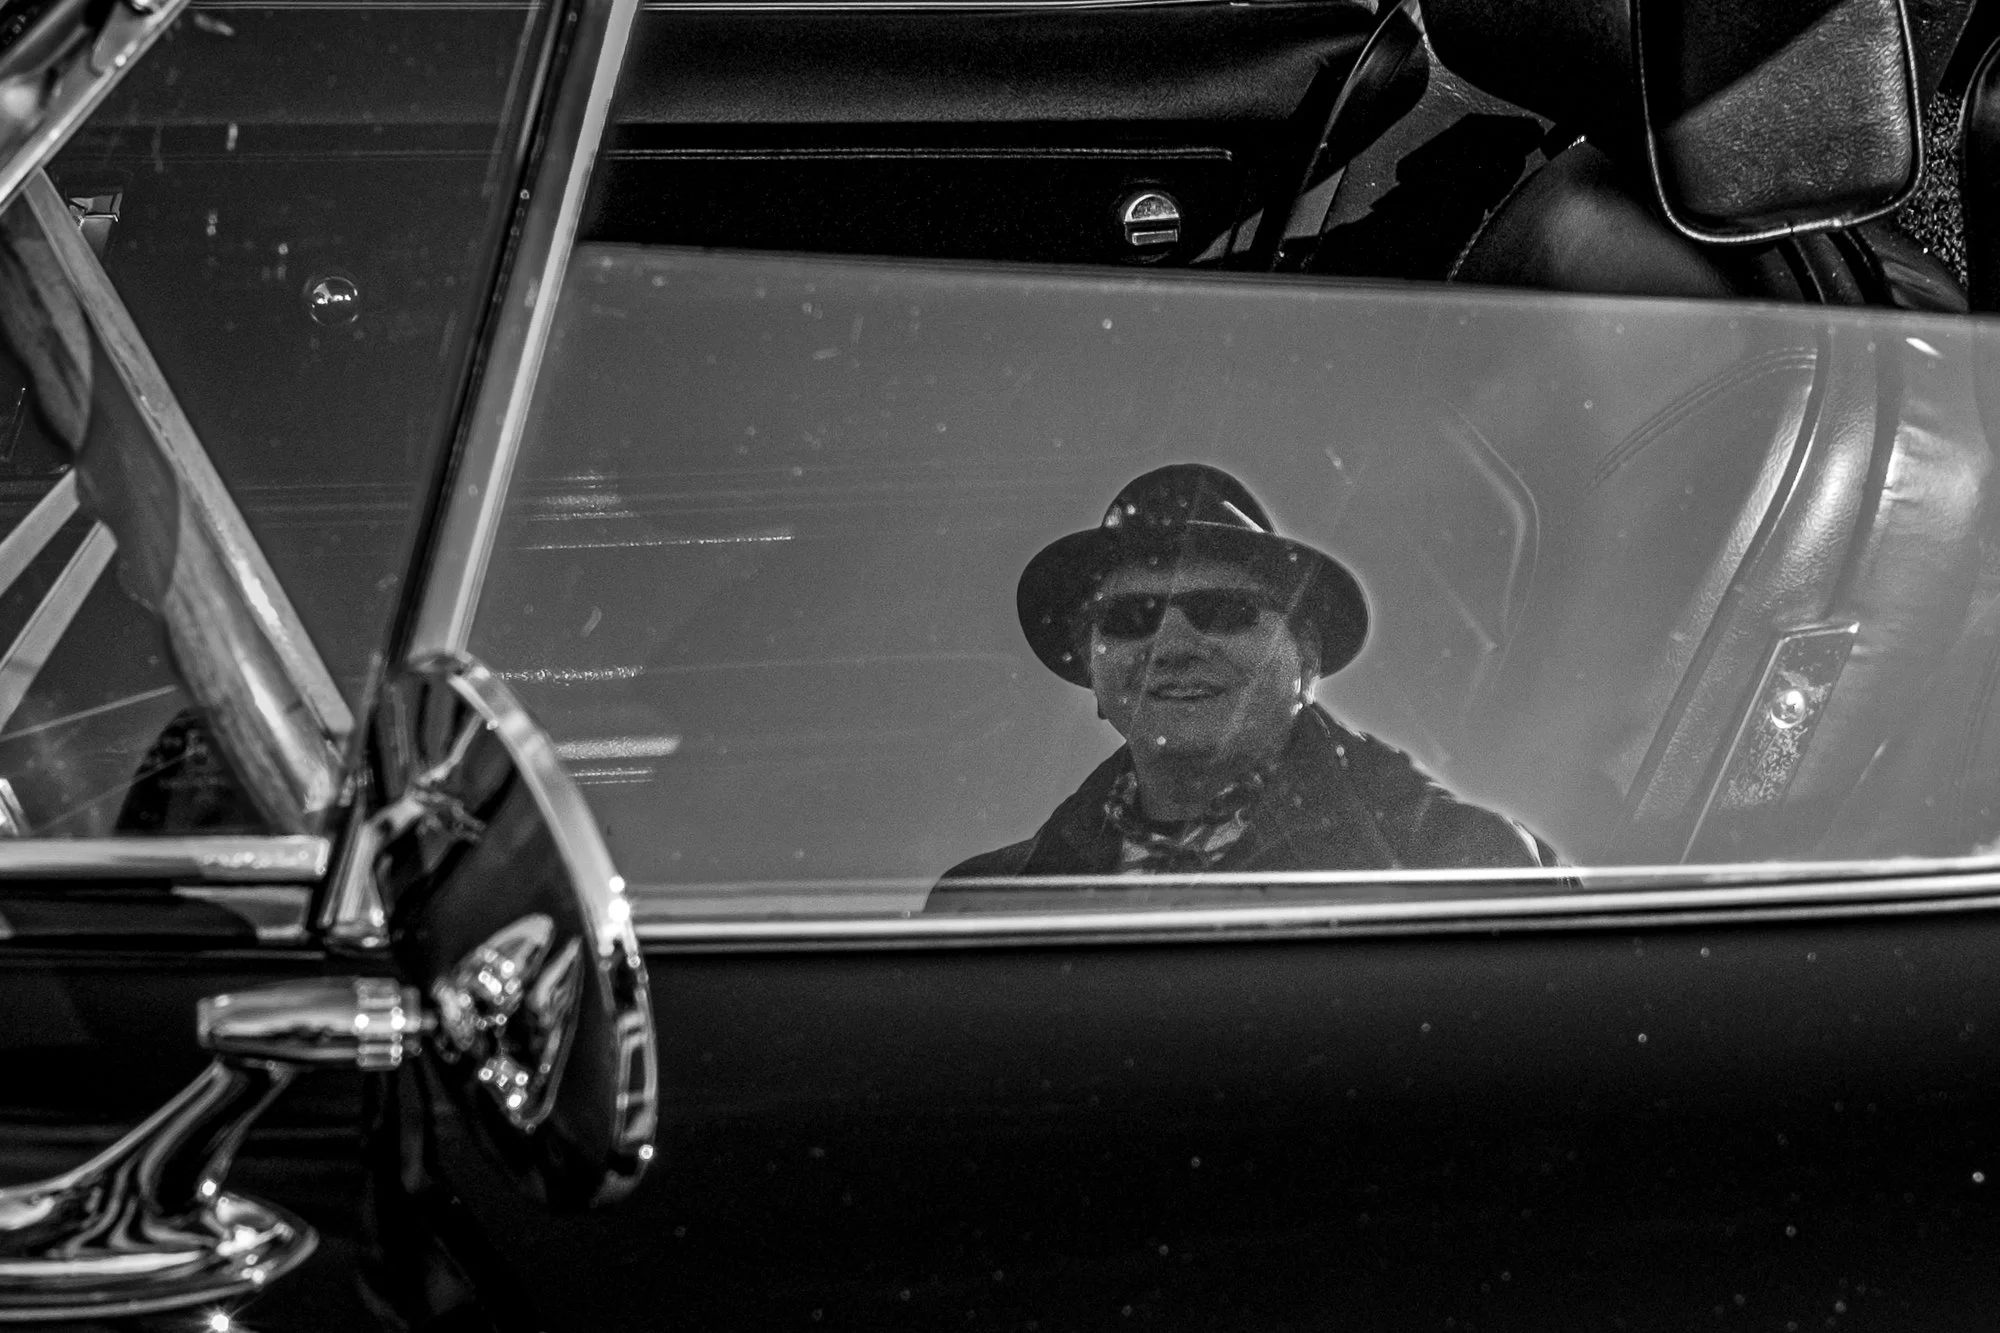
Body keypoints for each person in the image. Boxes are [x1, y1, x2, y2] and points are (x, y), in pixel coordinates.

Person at [931, 463, 1551, 897]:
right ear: (1093, 672)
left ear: (1305, 662)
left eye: (1223, 611)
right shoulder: (986, 899)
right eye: (1130, 618)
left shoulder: (1456, 865)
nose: (1171, 645)